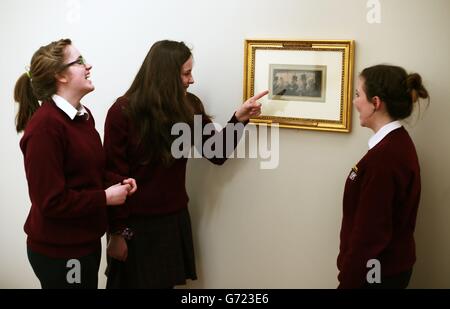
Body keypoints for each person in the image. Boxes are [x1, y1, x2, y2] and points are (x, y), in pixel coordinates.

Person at [103, 40, 267, 288]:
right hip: (134, 226)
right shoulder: (122, 112)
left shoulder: (189, 106)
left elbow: (217, 152)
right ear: (166, 76)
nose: (192, 80)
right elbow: (112, 176)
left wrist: (239, 119)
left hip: (172, 221)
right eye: (186, 73)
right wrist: (116, 233)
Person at [14, 39, 136, 289]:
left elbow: (90, 172)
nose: (88, 66)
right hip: (60, 252)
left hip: (85, 243)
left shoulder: (83, 115)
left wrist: (117, 185)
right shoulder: (45, 128)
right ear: (60, 75)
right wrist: (105, 197)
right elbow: (51, 201)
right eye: (79, 61)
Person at [337, 64, 429, 289]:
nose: (354, 101)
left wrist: (347, 283)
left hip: (375, 276)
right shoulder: (395, 145)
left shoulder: (385, 158)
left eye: (358, 94)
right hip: (384, 271)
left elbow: (369, 237)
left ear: (376, 103)